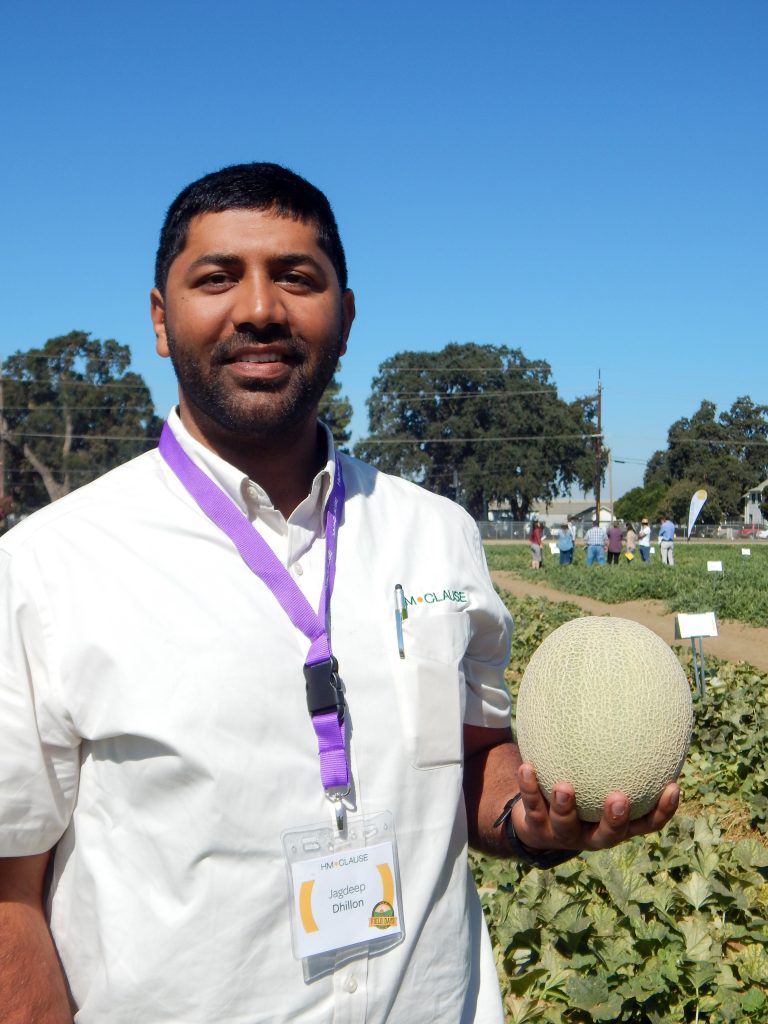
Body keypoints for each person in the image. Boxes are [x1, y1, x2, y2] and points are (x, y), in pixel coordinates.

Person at [0, 163, 681, 1024]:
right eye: (216, 278)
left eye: (297, 277)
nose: (259, 308)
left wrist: (530, 818)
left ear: (346, 316)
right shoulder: (46, 566)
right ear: (162, 319)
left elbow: (476, 759)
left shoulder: (438, 535)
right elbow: (9, 891)